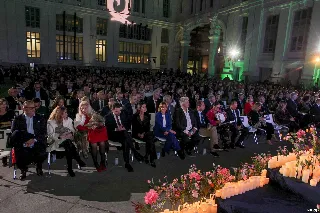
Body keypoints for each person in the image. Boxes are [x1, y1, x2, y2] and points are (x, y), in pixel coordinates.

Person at [10, 100, 47, 180]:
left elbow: (43, 133)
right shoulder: (17, 119)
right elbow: (14, 133)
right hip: (23, 141)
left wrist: (34, 140)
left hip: (36, 141)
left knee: (42, 151)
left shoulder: (40, 117)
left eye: (34, 107)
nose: (33, 109)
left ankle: (38, 166)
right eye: (31, 108)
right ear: (24, 108)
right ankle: (23, 170)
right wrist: (25, 141)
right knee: (19, 151)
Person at [47, 106, 86, 177]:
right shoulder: (51, 122)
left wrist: (70, 134)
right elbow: (50, 135)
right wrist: (60, 136)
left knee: (68, 146)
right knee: (68, 144)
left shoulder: (69, 120)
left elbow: (73, 130)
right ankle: (78, 160)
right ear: (60, 114)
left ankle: (70, 168)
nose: (67, 114)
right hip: (55, 142)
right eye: (65, 112)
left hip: (67, 141)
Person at [105, 103, 143, 172]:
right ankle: (135, 153)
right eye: (116, 111)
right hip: (113, 135)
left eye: (120, 111)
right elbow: (107, 130)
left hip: (123, 134)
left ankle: (127, 163)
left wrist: (124, 128)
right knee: (126, 135)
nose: (119, 113)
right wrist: (117, 129)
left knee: (126, 141)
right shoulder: (108, 117)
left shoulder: (122, 114)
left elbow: (127, 124)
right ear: (112, 110)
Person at [74, 101, 108, 172]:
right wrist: (88, 127)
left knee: (102, 143)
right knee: (94, 144)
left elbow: (101, 121)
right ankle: (96, 163)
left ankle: (103, 162)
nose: (83, 110)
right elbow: (78, 127)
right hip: (87, 133)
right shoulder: (78, 115)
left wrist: (96, 124)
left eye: (85, 108)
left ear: (88, 108)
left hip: (96, 131)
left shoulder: (92, 114)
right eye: (82, 108)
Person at [132, 102, 156, 167]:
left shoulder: (147, 115)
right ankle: (150, 158)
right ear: (139, 108)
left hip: (145, 134)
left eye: (146, 107)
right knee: (151, 139)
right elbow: (133, 129)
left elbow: (147, 128)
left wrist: (143, 133)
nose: (145, 108)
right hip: (136, 134)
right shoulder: (134, 116)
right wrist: (139, 134)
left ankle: (150, 158)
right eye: (143, 107)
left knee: (150, 137)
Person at [0, 99, 14, 166]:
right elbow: (8, 122)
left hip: (9, 131)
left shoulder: (10, 112)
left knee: (6, 136)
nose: (4, 105)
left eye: (5, 104)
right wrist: (6, 123)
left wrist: (2, 124)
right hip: (1, 132)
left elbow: (12, 123)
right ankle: (4, 157)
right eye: (2, 104)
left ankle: (5, 157)